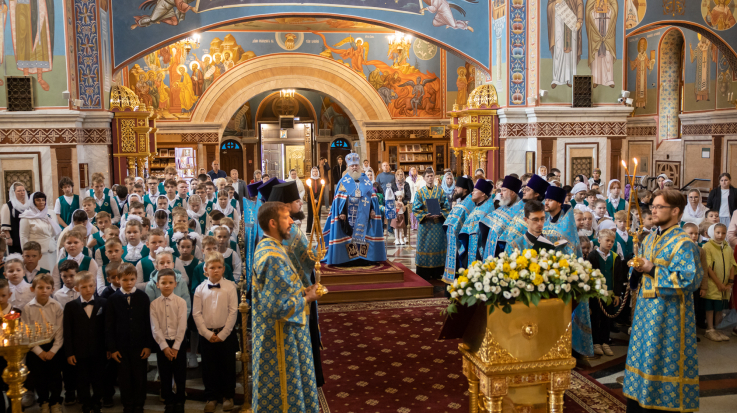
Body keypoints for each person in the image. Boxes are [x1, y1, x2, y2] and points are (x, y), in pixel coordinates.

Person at [624, 190, 703, 413]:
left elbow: (689, 280)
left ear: (675, 211)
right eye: (653, 207)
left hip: (669, 316)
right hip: (644, 313)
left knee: (662, 361)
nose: (654, 211)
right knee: (643, 358)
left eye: (659, 207)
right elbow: (639, 272)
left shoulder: (683, 243)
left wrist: (652, 269)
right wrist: (637, 270)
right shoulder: (649, 238)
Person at [252, 202, 320, 412]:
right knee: (285, 393)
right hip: (280, 338)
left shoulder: (270, 246)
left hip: (281, 333)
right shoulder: (272, 257)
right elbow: (278, 307)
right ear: (273, 223)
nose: (292, 221)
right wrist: (308, 298)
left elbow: (281, 289)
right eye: (286, 217)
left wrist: (303, 291)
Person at [267, 181, 325, 387]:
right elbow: (311, 259)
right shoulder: (289, 233)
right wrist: (318, 252)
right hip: (299, 295)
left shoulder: (279, 230)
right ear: (285, 206)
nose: (300, 203)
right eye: (296, 201)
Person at [192, 252, 238, 412]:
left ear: (224, 269)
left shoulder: (230, 287)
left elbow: (233, 312)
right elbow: (196, 313)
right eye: (212, 267)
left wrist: (223, 334)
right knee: (209, 367)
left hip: (226, 334)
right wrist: (206, 333)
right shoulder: (200, 289)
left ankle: (228, 396)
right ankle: (211, 397)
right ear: (205, 270)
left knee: (227, 366)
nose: (216, 270)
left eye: (219, 267)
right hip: (207, 335)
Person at [105, 263, 153, 413]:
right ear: (118, 279)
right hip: (121, 347)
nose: (129, 283)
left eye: (132, 279)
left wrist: (148, 345)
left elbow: (148, 322)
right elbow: (109, 325)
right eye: (125, 280)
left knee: (140, 376)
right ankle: (127, 404)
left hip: (139, 345)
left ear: (136, 279)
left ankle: (139, 403)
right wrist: (112, 348)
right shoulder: (112, 299)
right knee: (124, 377)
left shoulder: (143, 297)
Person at [323, 153, 386, 265]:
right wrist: (341, 212)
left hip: (364, 216)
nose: (354, 167)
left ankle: (363, 258)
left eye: (356, 165)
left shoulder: (366, 181)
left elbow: (372, 198)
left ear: (359, 166)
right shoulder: (343, 182)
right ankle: (349, 259)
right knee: (348, 237)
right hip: (347, 217)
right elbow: (339, 200)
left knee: (363, 237)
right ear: (348, 167)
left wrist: (372, 210)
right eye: (352, 166)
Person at [63, 271, 107, 413]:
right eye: (84, 287)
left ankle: (97, 402)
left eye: (90, 286)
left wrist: (109, 348)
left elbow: (107, 328)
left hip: (99, 350)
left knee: (99, 378)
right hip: (79, 351)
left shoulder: (103, 303)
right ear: (77, 288)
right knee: (82, 379)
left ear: (95, 285)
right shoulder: (70, 306)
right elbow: (68, 331)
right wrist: (69, 353)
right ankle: (86, 403)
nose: (88, 289)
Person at [22, 273, 64, 413]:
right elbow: (26, 332)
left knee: (55, 376)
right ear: (33, 289)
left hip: (53, 347)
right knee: (39, 377)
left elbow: (60, 330)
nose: (44, 290)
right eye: (40, 287)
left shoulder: (56, 306)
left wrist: (53, 350)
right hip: (35, 348)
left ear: (52, 289)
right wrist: (39, 351)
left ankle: (55, 401)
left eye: (47, 287)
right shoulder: (27, 308)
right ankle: (43, 401)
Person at [149, 269, 188, 412]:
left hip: (179, 342)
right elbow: (155, 327)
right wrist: (164, 346)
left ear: (175, 284)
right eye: (163, 282)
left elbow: (182, 326)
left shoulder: (181, 302)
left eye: (170, 282)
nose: (167, 285)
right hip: (163, 343)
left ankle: (180, 401)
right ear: (157, 284)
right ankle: (168, 401)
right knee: (164, 374)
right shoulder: (154, 304)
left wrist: (176, 346)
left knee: (180, 373)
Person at [587, 229, 624, 357]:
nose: (610, 243)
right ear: (599, 240)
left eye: (612, 241)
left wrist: (617, 294)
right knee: (596, 317)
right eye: (607, 240)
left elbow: (618, 278)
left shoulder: (615, 257)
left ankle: (605, 342)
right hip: (596, 294)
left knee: (607, 319)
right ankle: (596, 342)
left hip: (609, 293)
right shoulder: (592, 256)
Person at [413, 168, 449, 280]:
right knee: (425, 247)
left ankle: (438, 272)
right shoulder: (420, 192)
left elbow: (446, 207)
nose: (430, 178)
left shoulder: (440, 192)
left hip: (438, 225)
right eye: (428, 176)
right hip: (426, 225)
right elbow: (415, 208)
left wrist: (441, 214)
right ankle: (424, 273)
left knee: (438, 246)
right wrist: (425, 215)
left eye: (431, 176)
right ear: (424, 178)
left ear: (434, 177)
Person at [702, 223, 735, 342]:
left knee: (719, 308)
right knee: (710, 308)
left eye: (723, 233)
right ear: (712, 233)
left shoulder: (727, 247)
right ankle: (710, 330)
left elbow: (732, 265)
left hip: (724, 285)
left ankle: (717, 329)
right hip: (713, 284)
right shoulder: (708, 246)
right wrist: (719, 284)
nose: (720, 235)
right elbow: (708, 267)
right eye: (718, 232)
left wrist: (730, 283)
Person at [479, 176, 524, 259]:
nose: (501, 193)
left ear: (513, 192)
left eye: (504, 190)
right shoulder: (502, 207)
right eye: (501, 190)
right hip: (492, 250)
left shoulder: (521, 210)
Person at [442, 176, 475, 283]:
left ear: (465, 190)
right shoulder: (464, 201)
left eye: (457, 187)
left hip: (463, 242)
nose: (454, 189)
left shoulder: (469, 202)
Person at [19, 192, 58, 271]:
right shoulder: (26, 216)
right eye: (38, 200)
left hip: (52, 249)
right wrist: (26, 253)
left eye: (43, 200)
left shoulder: (51, 213)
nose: (41, 202)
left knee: (52, 273)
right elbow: (23, 236)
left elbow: (56, 231)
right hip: (36, 252)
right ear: (33, 202)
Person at [1, 182, 30, 254]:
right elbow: (5, 224)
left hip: (28, 236)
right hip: (15, 236)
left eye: (23, 190)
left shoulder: (29, 205)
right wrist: (8, 237)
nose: (22, 192)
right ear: (13, 193)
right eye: (19, 191)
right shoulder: (8, 206)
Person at [305, 167, 323, 235]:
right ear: (311, 172)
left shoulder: (320, 180)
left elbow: (322, 191)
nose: (315, 173)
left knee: (318, 214)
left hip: (318, 199)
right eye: (313, 171)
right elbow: (308, 191)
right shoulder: (309, 180)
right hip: (310, 200)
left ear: (318, 172)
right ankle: (308, 230)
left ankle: (316, 229)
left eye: (316, 171)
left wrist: (317, 199)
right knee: (310, 214)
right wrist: (312, 199)